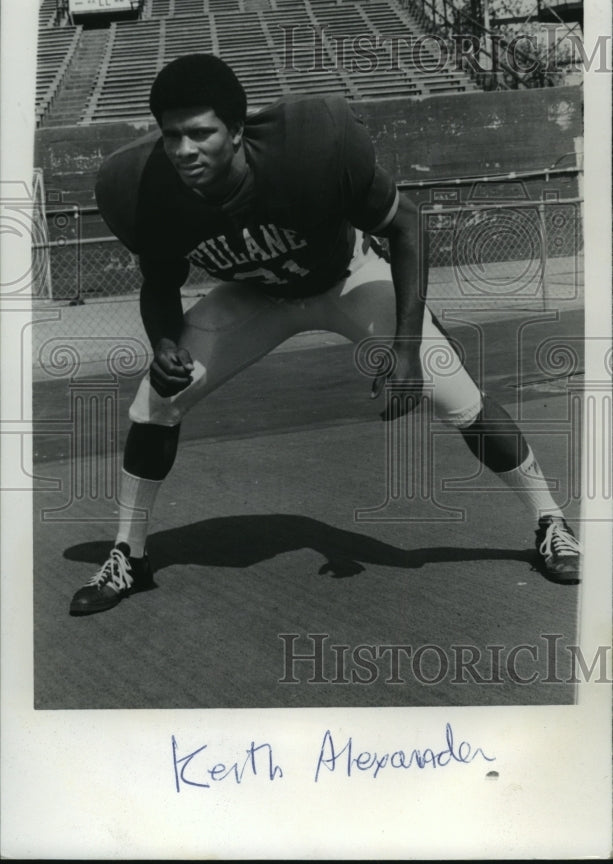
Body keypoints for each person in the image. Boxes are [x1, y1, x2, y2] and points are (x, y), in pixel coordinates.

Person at [69, 54, 582, 615]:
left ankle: (549, 520)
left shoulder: (309, 151)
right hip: (256, 296)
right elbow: (159, 284)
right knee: (154, 401)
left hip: (347, 277)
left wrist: (406, 348)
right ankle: (129, 555)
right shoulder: (143, 187)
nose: (184, 150)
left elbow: (407, 224)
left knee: (448, 386)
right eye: (172, 136)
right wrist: (163, 342)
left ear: (237, 131)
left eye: (201, 133)